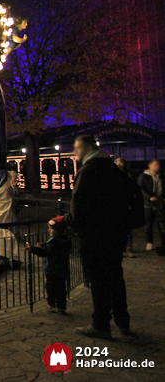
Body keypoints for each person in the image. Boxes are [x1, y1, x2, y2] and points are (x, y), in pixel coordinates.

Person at [65, 135, 131, 339]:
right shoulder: (112, 168)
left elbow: (79, 205)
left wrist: (68, 220)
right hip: (116, 233)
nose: (75, 153)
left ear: (86, 148)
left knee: (99, 280)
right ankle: (122, 320)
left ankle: (101, 323)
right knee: (115, 277)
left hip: (95, 234)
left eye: (77, 149)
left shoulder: (88, 170)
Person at [26, 216, 71, 314]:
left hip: (52, 269)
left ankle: (51, 303)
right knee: (61, 288)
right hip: (62, 269)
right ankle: (61, 306)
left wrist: (32, 249)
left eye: (50, 228)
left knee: (50, 287)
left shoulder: (54, 241)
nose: (49, 230)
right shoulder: (64, 240)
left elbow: (45, 252)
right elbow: (51, 248)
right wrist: (43, 245)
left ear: (56, 230)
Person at [137, 159, 163, 252]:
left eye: (158, 165)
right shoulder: (144, 176)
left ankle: (162, 243)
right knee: (149, 223)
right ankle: (149, 242)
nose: (158, 167)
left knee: (161, 223)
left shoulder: (161, 176)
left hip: (160, 202)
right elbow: (140, 188)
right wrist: (149, 197)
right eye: (155, 165)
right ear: (150, 166)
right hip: (149, 203)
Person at [115, 157, 138, 257]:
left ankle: (128, 248)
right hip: (116, 203)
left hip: (126, 203)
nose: (119, 165)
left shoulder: (128, 175)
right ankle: (120, 248)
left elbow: (133, 187)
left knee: (128, 228)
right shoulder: (112, 175)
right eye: (118, 163)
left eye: (121, 163)